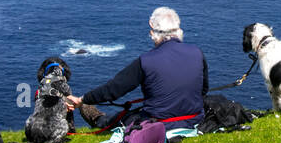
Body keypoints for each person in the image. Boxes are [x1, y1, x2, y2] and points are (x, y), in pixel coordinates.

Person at [67, 7, 207, 132]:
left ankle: (96, 118)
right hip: (194, 119)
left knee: (116, 120)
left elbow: (113, 89)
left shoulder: (146, 61)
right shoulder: (197, 53)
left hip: (159, 124)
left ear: (152, 30)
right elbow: (203, 90)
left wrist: (83, 99)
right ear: (178, 29)